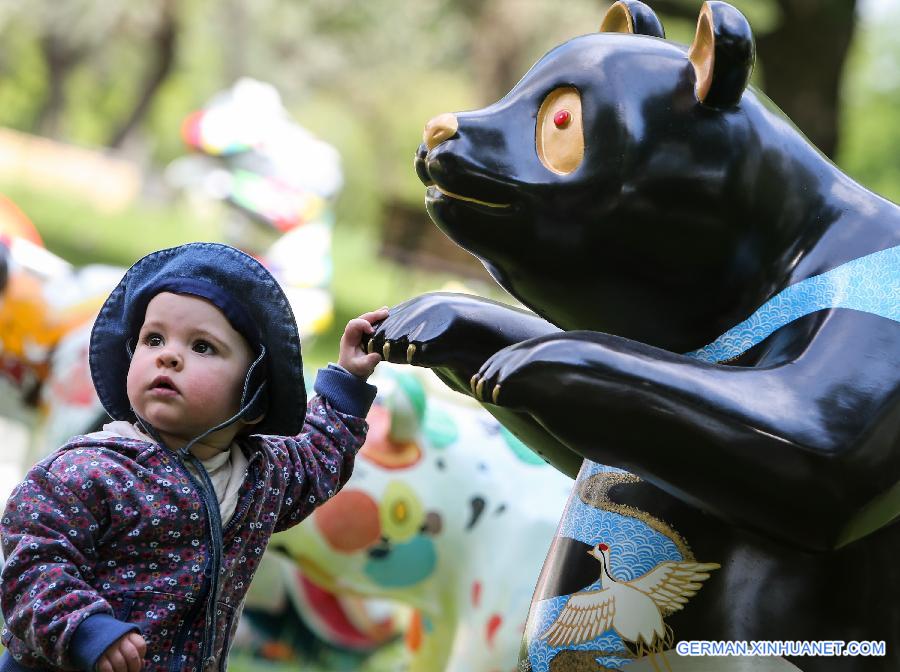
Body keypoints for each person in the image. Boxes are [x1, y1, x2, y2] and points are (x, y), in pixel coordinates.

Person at [0, 242, 386, 672]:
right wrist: (85, 628)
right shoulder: (86, 471)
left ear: (254, 397)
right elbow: (32, 563)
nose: (168, 354)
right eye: (153, 339)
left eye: (202, 347)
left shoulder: (261, 478)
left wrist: (349, 378)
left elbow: (319, 457)